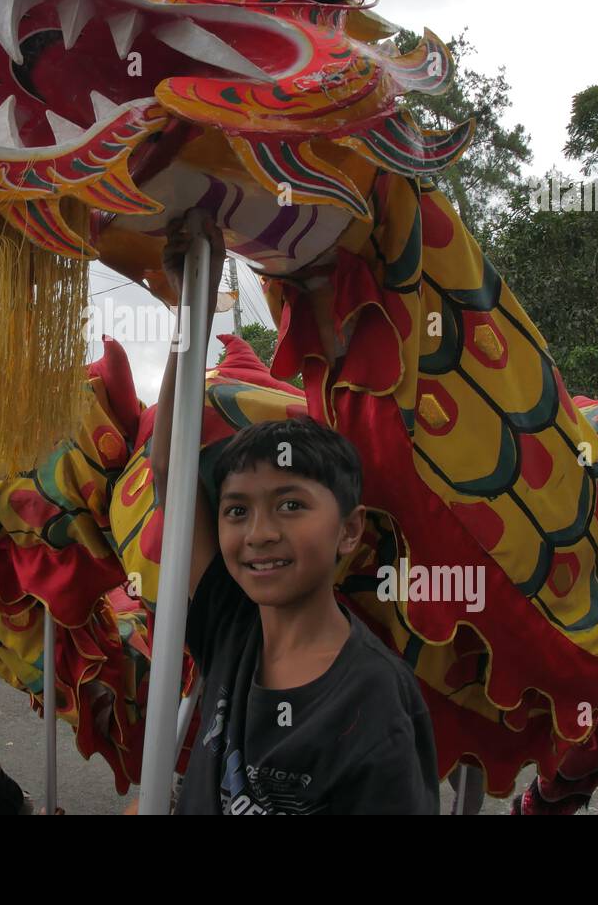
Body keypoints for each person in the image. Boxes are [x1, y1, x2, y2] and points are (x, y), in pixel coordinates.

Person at [152, 211, 439, 816]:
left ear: (349, 530)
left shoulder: (375, 702)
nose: (259, 534)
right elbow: (171, 471)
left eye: (290, 505)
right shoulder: (230, 623)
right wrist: (191, 310)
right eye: (236, 510)